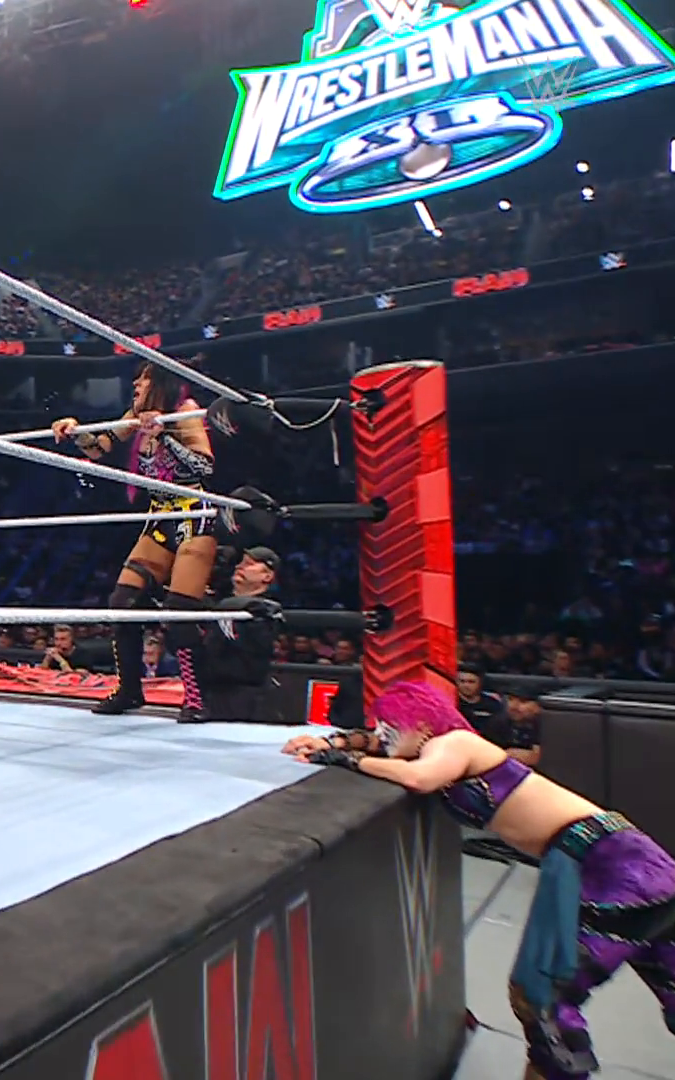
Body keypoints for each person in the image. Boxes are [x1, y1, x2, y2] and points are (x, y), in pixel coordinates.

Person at [286, 682, 675, 1080]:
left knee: (541, 992)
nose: (381, 735)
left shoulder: (455, 743)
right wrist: (330, 743)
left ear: (422, 725)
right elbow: (378, 744)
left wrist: (346, 759)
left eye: (389, 726)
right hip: (612, 859)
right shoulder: (435, 746)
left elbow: (419, 778)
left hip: (614, 864)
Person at [52, 358, 217, 716]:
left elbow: (205, 466)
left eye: (143, 379)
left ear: (160, 384)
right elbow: (98, 448)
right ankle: (129, 690)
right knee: (122, 602)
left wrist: (164, 435)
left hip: (194, 515)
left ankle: (196, 699)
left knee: (180, 612)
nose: (136, 385)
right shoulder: (136, 416)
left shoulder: (184, 411)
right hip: (160, 516)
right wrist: (74, 430)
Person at [183, 546, 282, 723]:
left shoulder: (267, 610)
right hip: (207, 693)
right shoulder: (219, 603)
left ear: (267, 576)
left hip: (242, 697)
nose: (239, 567)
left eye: (249, 564)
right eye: (240, 563)